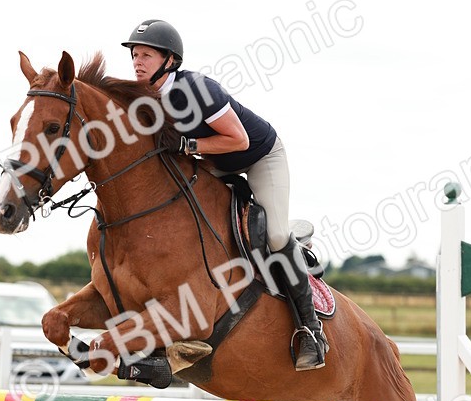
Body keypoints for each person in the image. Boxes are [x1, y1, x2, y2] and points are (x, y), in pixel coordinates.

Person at [122, 18, 329, 371]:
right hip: (213, 160)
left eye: (146, 55)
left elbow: (239, 140)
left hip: (259, 155)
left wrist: (187, 144)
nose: (138, 62)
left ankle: (310, 329)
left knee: (276, 234)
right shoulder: (142, 97)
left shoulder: (197, 90)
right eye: (135, 55)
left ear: (169, 60)